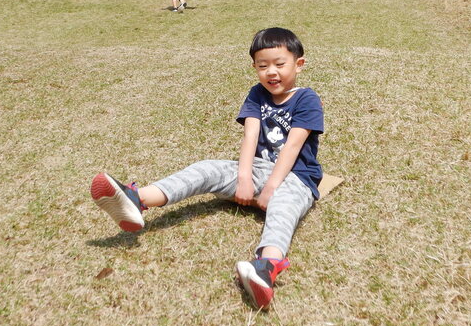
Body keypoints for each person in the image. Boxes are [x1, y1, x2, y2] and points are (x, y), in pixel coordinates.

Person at [90, 27, 324, 309]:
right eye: (263, 66)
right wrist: (244, 178)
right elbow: (250, 136)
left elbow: (292, 147)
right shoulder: (257, 94)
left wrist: (272, 189)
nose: (271, 72)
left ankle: (266, 266)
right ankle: (137, 200)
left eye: (279, 64)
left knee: (283, 208)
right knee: (208, 168)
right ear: (254, 68)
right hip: (260, 169)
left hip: (296, 179)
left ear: (299, 64)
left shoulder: (307, 99)